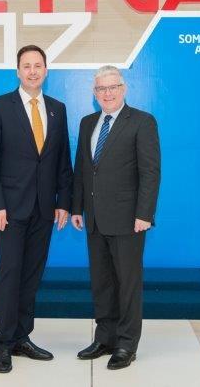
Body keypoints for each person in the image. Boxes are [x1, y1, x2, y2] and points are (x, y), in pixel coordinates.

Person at [0, 45, 73, 374]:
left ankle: (22, 337)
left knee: (31, 276)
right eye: (26, 66)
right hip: (10, 210)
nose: (33, 71)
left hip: (44, 210)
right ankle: (3, 343)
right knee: (10, 274)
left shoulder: (57, 110)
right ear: (17, 71)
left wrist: (64, 202)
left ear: (46, 70)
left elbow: (62, 161)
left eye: (38, 65)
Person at [71, 65, 161, 370]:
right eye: (101, 89)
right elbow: (83, 169)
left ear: (123, 89)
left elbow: (150, 172)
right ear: (94, 93)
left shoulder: (142, 122)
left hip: (128, 219)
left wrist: (144, 214)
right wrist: (76, 207)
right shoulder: (87, 123)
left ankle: (126, 344)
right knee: (102, 282)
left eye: (113, 87)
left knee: (128, 283)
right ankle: (105, 337)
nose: (107, 94)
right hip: (94, 219)